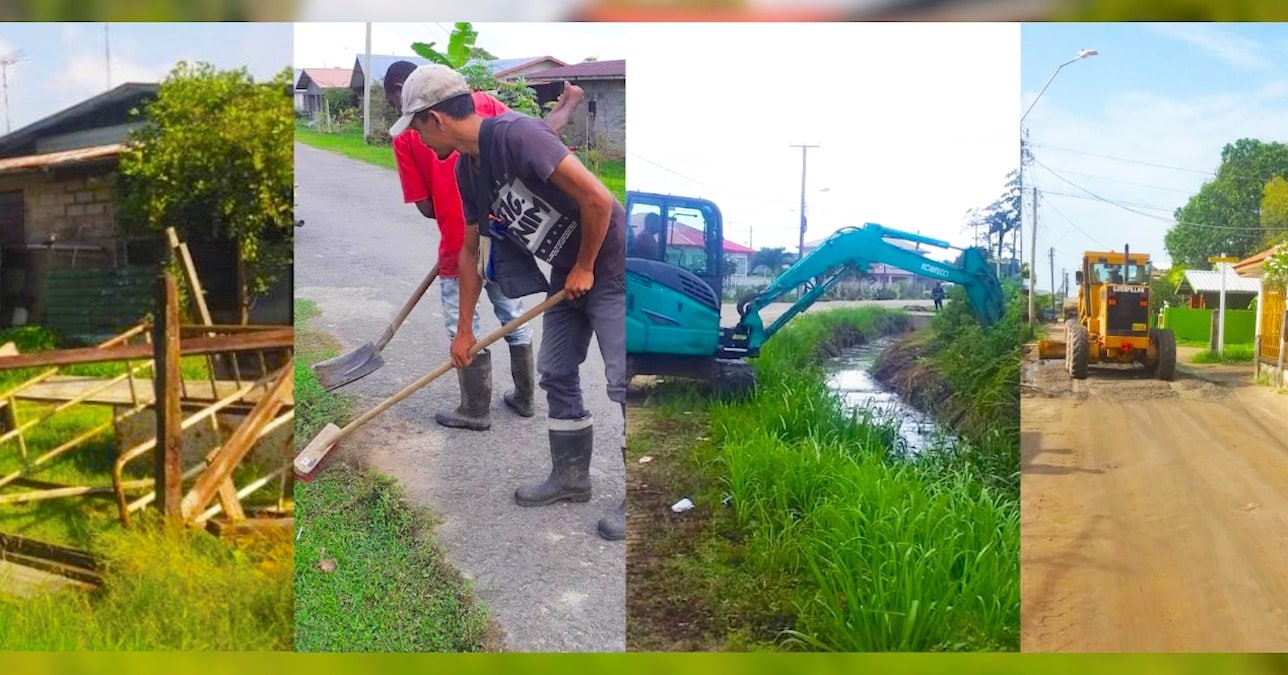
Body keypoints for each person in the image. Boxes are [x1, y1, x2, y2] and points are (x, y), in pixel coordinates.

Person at [393, 64, 628, 541]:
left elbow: (600, 200)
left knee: (623, 380)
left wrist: (585, 266)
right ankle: (571, 478)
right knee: (557, 369)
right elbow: (469, 252)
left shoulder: (515, 135)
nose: (416, 138)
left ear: (436, 119)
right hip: (570, 269)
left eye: (416, 126)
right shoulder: (468, 168)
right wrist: (464, 331)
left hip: (612, 265)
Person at [382, 61, 584, 432]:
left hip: (461, 244)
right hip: (502, 234)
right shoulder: (480, 107)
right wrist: (564, 111)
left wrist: (447, 207)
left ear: (403, 90)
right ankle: (525, 398)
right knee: (511, 312)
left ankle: (475, 409)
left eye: (400, 103)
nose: (403, 116)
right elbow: (536, 139)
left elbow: (426, 207)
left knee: (463, 324)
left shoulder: (409, 136)